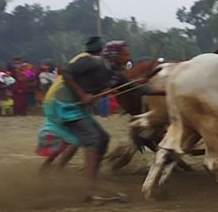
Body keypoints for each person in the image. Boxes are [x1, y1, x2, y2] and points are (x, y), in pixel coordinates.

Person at [37, 37, 163, 199]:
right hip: (64, 104)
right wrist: (82, 94)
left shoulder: (115, 76)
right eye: (125, 55)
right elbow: (67, 72)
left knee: (103, 139)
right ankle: (89, 189)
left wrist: (168, 92)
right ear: (114, 55)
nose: (128, 58)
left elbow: (139, 90)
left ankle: (92, 181)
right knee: (93, 139)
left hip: (78, 108)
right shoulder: (93, 62)